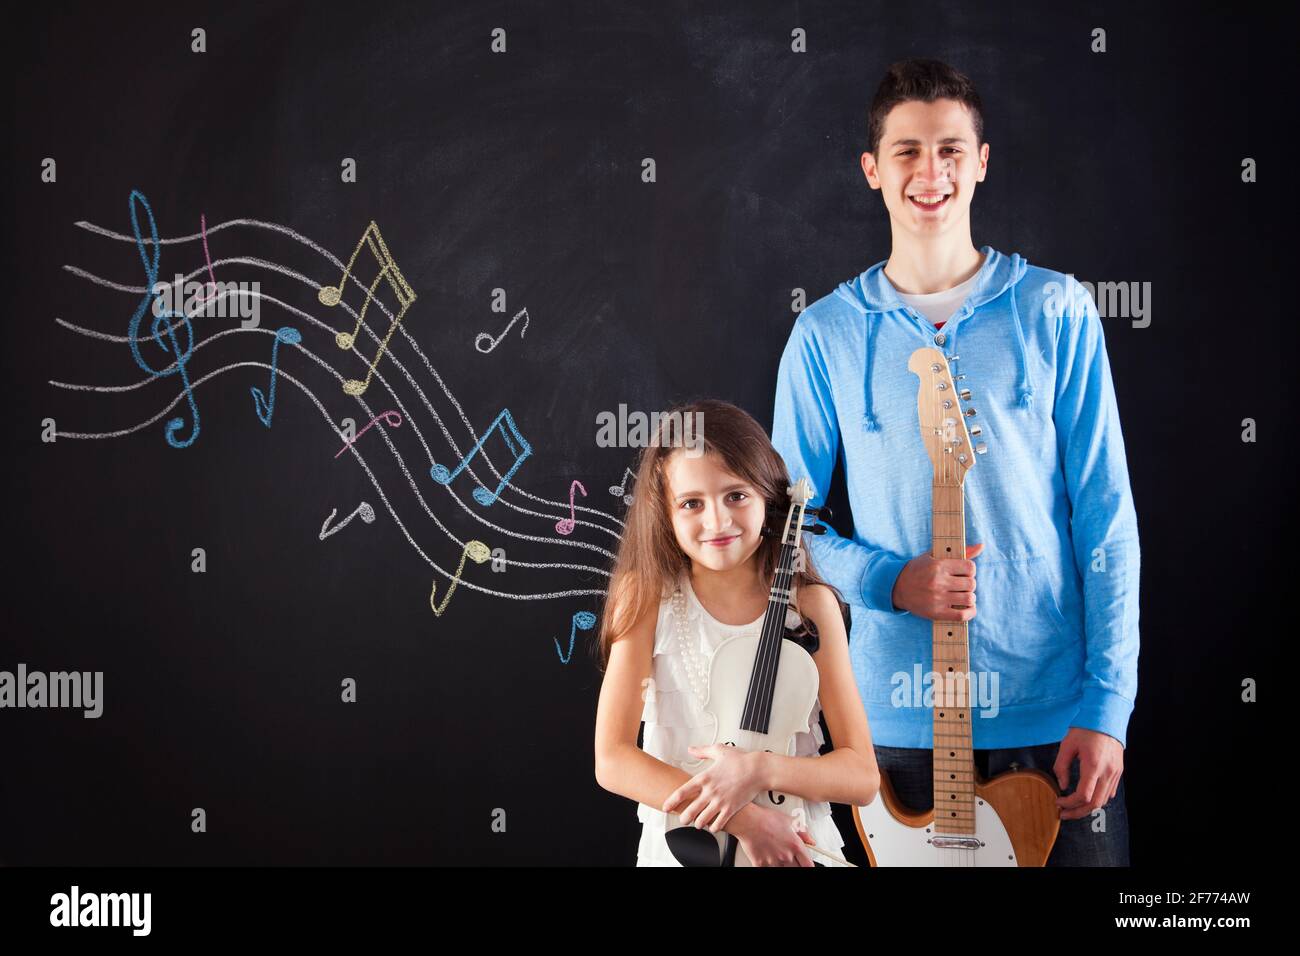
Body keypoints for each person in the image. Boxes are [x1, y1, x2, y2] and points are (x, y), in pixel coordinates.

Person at [770, 58, 1139, 865]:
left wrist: (1107, 705)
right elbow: (786, 525)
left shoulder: (1058, 310)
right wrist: (887, 582)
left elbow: (1106, 517)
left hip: (1051, 722)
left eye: (948, 149)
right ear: (872, 169)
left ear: (980, 162)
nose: (928, 172)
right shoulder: (824, 335)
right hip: (890, 729)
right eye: (905, 151)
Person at [593, 399, 879, 866]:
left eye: (735, 495)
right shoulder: (645, 596)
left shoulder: (810, 606)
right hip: (685, 849)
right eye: (691, 504)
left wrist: (758, 768)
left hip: (794, 844)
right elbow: (613, 758)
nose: (717, 521)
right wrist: (744, 820)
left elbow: (861, 776)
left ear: (769, 496)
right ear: (664, 513)